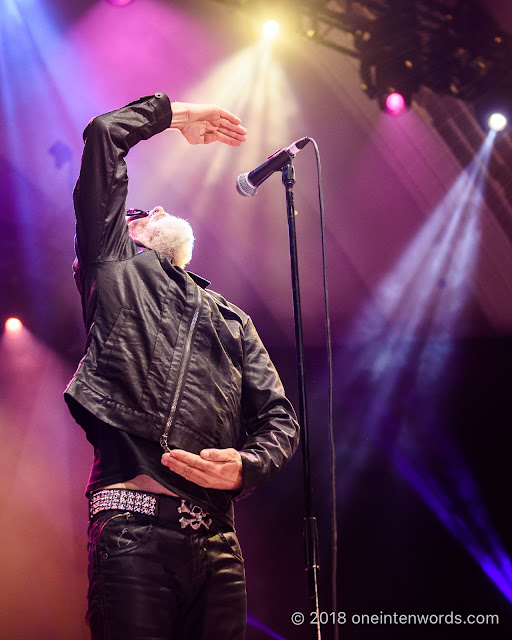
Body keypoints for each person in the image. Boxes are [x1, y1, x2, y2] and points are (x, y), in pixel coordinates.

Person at [64, 92, 300, 640]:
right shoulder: (116, 270)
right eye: (143, 214)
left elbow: (280, 420)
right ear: (124, 237)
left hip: (218, 547)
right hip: (132, 534)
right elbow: (104, 134)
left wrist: (249, 465)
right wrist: (178, 117)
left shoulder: (233, 319)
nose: (161, 210)